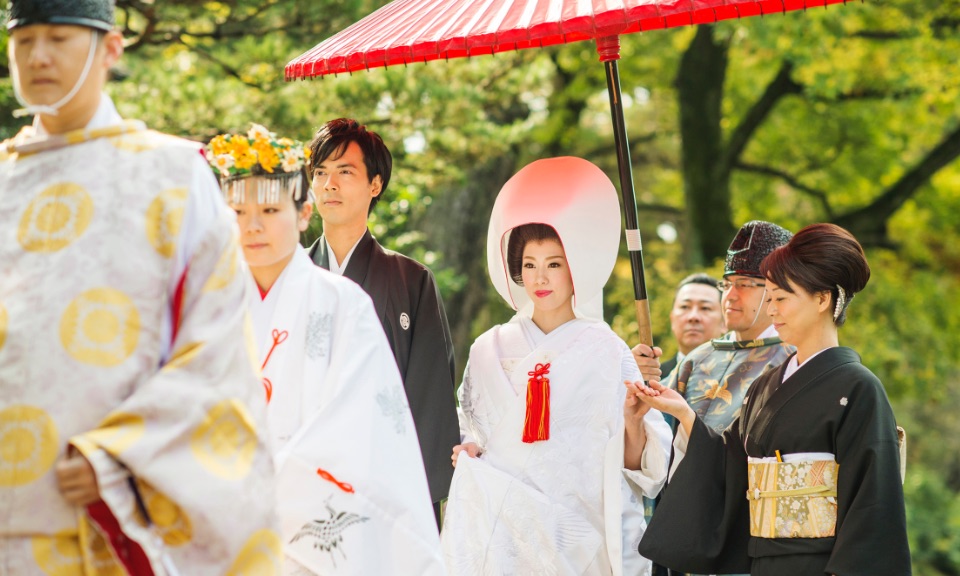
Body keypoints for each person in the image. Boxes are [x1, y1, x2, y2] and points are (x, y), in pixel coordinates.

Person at [0, 1, 278, 573]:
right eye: (24, 41)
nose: (39, 56)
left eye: (58, 37)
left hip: (103, 517)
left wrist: (124, 457)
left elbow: (217, 349)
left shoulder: (173, 174)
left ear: (110, 49)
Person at [207, 126, 444, 575]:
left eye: (270, 208)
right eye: (238, 210)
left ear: (299, 213)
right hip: (222, 499)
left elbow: (400, 405)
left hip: (324, 503)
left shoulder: (371, 293)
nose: (252, 224)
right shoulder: (206, 303)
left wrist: (420, 497)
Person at [634, 223, 911, 575]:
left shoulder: (857, 389)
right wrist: (685, 416)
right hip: (760, 563)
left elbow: (872, 506)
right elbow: (729, 462)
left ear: (823, 298)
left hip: (820, 564)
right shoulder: (767, 384)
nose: (773, 310)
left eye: (780, 298)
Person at [441, 157, 672, 575]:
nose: (540, 279)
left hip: (578, 532)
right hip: (505, 532)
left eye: (553, 264)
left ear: (574, 268)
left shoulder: (606, 349)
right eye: (529, 265)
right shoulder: (488, 347)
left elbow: (645, 470)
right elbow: (467, 425)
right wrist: (468, 446)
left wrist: (634, 423)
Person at [306, 118, 459, 526]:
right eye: (320, 172)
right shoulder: (292, 279)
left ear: (376, 185)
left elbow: (430, 396)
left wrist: (408, 492)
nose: (329, 184)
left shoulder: (411, 281)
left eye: (345, 171)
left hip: (387, 488)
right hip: (304, 481)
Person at [636, 221, 795, 437]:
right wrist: (639, 380)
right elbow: (655, 436)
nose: (729, 296)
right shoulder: (696, 359)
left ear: (776, 290)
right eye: (727, 284)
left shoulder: (793, 360)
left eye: (744, 284)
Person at [661, 273, 725, 379]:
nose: (693, 317)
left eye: (705, 308)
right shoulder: (651, 380)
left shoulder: (739, 378)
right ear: (672, 318)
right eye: (685, 306)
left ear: (724, 322)